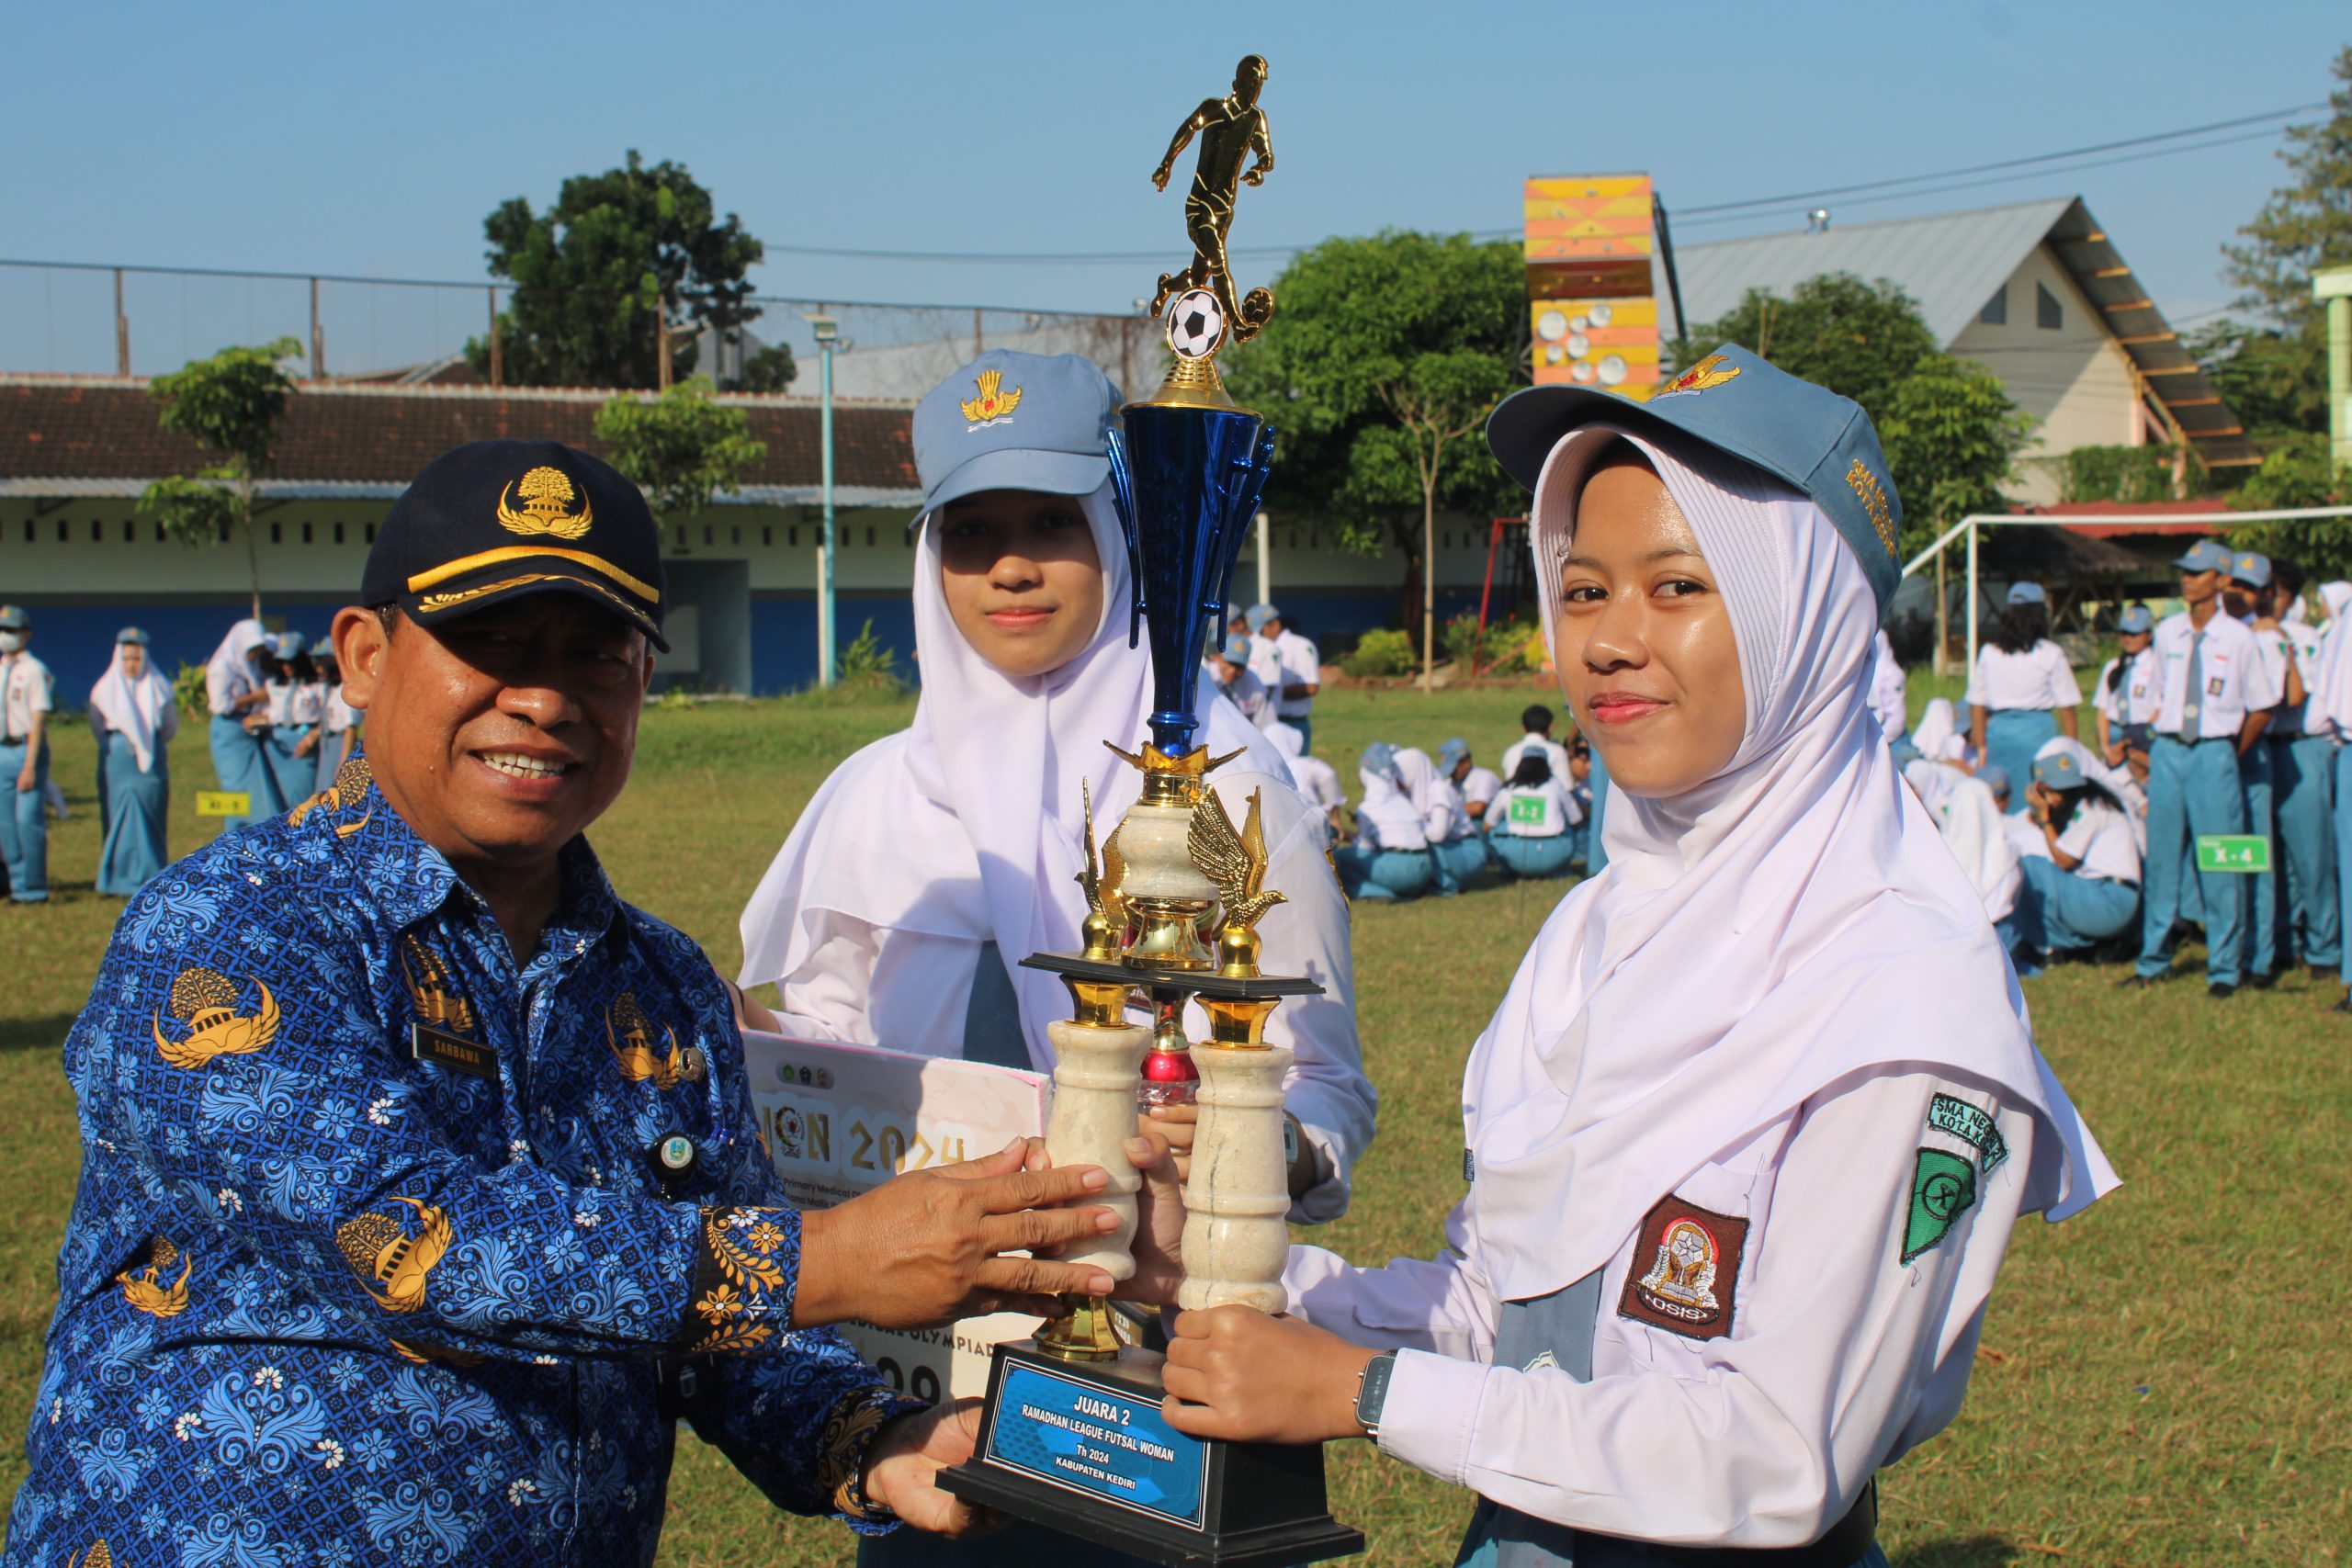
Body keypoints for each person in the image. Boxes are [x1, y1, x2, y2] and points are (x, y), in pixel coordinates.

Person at [6, 438, 1133, 1565]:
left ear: (642, 682)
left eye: (595, 654)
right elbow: (411, 1239)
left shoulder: (662, 986)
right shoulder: (232, 926)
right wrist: (822, 1261)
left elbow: (719, 1332)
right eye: (490, 641)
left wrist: (873, 1438)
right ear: (362, 654)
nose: (544, 699)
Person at [1120, 345, 2114, 1565]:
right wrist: (1240, 1278)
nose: (1609, 641)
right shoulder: (1590, 936)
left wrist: (1366, 1392)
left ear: (1802, 616)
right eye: (1583, 590)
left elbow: (1777, 1451)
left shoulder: (1902, 998)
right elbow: (1502, 1308)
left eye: (1679, 585)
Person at [736, 353, 1371, 1224]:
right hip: (911, 1299)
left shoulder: (1224, 786)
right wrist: (745, 1029)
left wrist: (1264, 1141)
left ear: (1120, 530)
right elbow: (842, 1056)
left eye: (1049, 521)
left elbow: (1325, 1084)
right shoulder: (873, 794)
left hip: (1150, 1290)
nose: (1010, 568)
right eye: (969, 531)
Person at [2126, 538, 2281, 998]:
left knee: (2221, 859)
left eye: (2196, 573)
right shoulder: (2169, 631)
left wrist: (2230, 749)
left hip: (2215, 752)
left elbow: (2261, 705)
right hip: (2171, 751)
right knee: (2163, 859)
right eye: (2185, 572)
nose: (2187, 579)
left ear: (2220, 580)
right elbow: (2155, 697)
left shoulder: (2239, 639)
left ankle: (2224, 968)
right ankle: (2152, 958)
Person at [2245, 556, 2338, 979]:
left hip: (2302, 746)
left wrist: (2278, 640)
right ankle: (2283, 940)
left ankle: (2323, 947)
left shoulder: (2302, 636)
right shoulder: (2245, 634)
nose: (2267, 601)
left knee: (2311, 853)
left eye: (2276, 593)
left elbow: (2297, 696)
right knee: (2271, 855)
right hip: (2262, 746)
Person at [2002, 749, 2142, 975]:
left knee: (2030, 867)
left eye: (2064, 789)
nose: (2059, 796)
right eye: (2054, 790)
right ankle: (2069, 948)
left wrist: (2044, 817)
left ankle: (2045, 947)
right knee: (2035, 871)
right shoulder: (2088, 803)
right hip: (2108, 896)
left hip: (2111, 899)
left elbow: (2064, 860)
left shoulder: (2090, 807)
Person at [1967, 581, 2081, 811]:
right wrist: (2071, 748)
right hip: (2038, 736)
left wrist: (1981, 748)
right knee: (2037, 801)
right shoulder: (2050, 653)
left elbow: (1977, 705)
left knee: (1999, 801)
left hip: (1999, 736)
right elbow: (2067, 708)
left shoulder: (1989, 653)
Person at [87, 626, 179, 896]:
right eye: (126, 658)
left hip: (152, 758)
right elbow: (96, 726)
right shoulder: (104, 690)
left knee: (150, 812)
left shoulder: (159, 686)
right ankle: (117, 877)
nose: (131, 664)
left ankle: (150, 874)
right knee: (117, 815)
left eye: (136, 659)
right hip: (117, 760)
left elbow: (170, 727)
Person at [202, 616, 281, 829]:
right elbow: (220, 705)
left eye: (258, 650)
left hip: (248, 728)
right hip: (228, 731)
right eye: (251, 649)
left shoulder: (249, 663)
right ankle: (236, 833)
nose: (255, 655)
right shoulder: (221, 668)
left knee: (257, 786)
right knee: (237, 788)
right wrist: (255, 698)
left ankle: (258, 831)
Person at [0, 604, 55, 903]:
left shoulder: (34, 670)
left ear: (26, 634)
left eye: (11, 630)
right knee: (6, 823)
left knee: (27, 821)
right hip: (1, 750)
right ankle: (17, 884)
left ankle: (34, 887)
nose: (5, 636)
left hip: (25, 749)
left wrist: (30, 766)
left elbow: (37, 720)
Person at [1334, 740, 1436, 900]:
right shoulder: (1404, 801)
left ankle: (1374, 892)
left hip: (1397, 869)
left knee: (1342, 858)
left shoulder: (1368, 807)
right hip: (1425, 867)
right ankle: (1406, 892)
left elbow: (1365, 847)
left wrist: (1348, 838)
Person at [1397, 744, 1486, 895]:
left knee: (1418, 846)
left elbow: (1437, 834)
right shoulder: (1416, 793)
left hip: (1465, 851)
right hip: (1450, 847)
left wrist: (1411, 820)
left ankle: (1446, 884)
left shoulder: (1439, 791)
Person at [1486, 750, 1581, 880]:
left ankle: (1505, 868)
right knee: (1567, 827)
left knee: (1498, 828)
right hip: (1556, 855)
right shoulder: (1557, 786)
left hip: (1516, 855)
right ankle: (1561, 870)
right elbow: (1577, 820)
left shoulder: (1509, 789)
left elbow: (1487, 824)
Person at [261, 629, 328, 811]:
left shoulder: (318, 686)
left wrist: (312, 737)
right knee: (277, 799)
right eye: (282, 662)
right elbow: (271, 711)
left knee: (302, 797)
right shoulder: (274, 685)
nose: (286, 667)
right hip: (277, 745)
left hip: (303, 741)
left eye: (290, 662)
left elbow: (327, 716)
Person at [2094, 604, 2159, 784]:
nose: (2128, 638)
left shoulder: (2157, 666)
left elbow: (2158, 710)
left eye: (2134, 634)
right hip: (2114, 737)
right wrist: (2106, 748)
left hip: (2142, 738)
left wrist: (2127, 745)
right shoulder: (2113, 667)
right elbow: (2102, 710)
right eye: (2124, 633)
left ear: (2148, 635)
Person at [1256, 602, 1321, 750]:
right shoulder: (1259, 647)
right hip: (1264, 722)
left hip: (1292, 722)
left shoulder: (1301, 646)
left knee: (1294, 770)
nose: (1256, 636)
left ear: (1275, 625)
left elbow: (1311, 687)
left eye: (1260, 631)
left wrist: (1268, 693)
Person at [1269, 719, 1344, 829]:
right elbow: (1329, 775)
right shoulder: (1303, 764)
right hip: (1311, 827)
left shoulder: (1263, 770)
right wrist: (1335, 817)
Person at [315, 642, 362, 795]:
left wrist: (343, 762)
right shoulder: (330, 689)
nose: (318, 668)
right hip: (328, 746)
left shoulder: (345, 690)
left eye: (322, 663)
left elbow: (350, 728)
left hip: (339, 745)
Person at [1209, 632, 1272, 728]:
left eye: (1239, 666)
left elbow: (1265, 727)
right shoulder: (1204, 678)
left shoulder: (1256, 686)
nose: (1233, 671)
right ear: (1218, 658)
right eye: (1229, 663)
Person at [1498, 703, 1572, 784]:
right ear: (1551, 728)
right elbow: (1567, 787)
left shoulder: (1511, 751)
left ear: (1524, 729)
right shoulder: (1557, 751)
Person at [1441, 736, 1503, 829]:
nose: (1451, 773)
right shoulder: (1450, 781)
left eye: (1454, 769)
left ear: (1466, 763)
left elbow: (1478, 808)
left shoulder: (1484, 777)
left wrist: (1444, 812)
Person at [1871, 626, 1909, 749]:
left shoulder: (1891, 674)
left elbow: (1896, 720)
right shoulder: (1864, 673)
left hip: (1890, 741)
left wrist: (1876, 743)